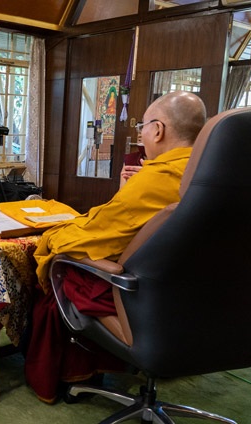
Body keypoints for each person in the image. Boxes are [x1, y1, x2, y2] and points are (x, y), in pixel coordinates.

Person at [24, 91, 207, 404]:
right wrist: (125, 195)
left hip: (141, 298)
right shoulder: (208, 173)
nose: (142, 136)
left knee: (60, 266)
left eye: (143, 128)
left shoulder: (157, 177)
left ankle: (66, 373)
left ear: (159, 130)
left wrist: (52, 236)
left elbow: (95, 236)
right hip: (195, 300)